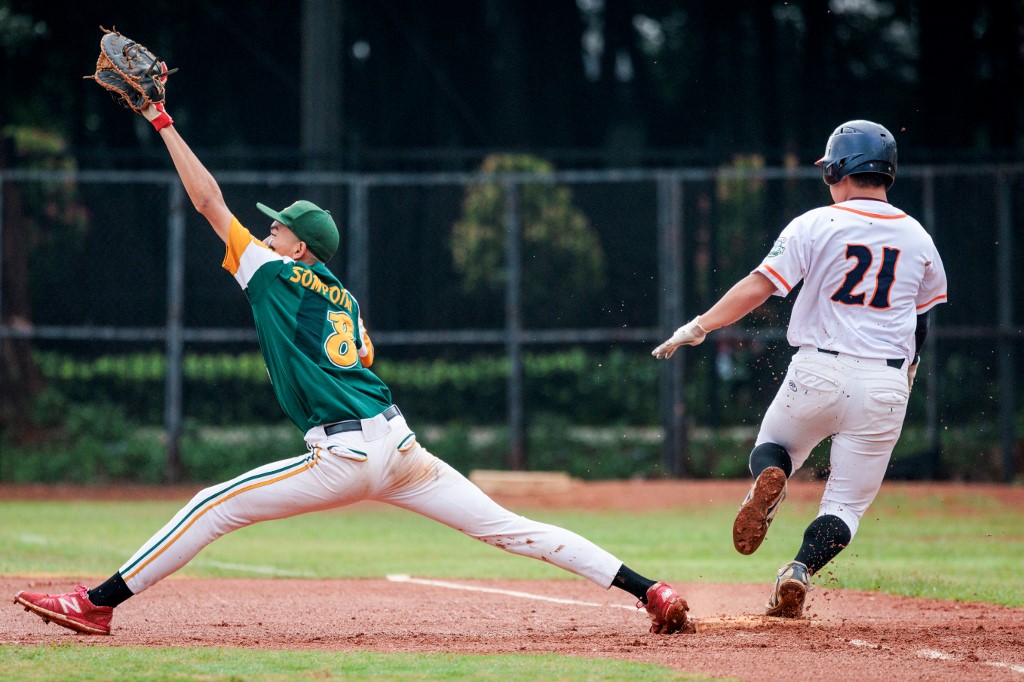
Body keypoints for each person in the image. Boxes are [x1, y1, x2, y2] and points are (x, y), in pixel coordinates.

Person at [13, 96, 690, 636]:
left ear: (298, 246)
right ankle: (650, 589)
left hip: (342, 451)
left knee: (208, 505)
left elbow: (207, 201)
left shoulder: (274, 270)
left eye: (277, 227)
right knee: (514, 529)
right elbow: (364, 355)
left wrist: (161, 119)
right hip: (400, 444)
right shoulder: (342, 293)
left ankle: (96, 603)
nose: (267, 230)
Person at [652, 120, 947, 618]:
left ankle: (773, 474)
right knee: (846, 507)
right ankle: (799, 570)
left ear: (838, 168)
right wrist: (910, 369)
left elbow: (759, 285)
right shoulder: (918, 237)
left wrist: (699, 326)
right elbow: (920, 319)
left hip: (818, 371)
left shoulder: (817, 223)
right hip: (885, 384)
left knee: (775, 448)